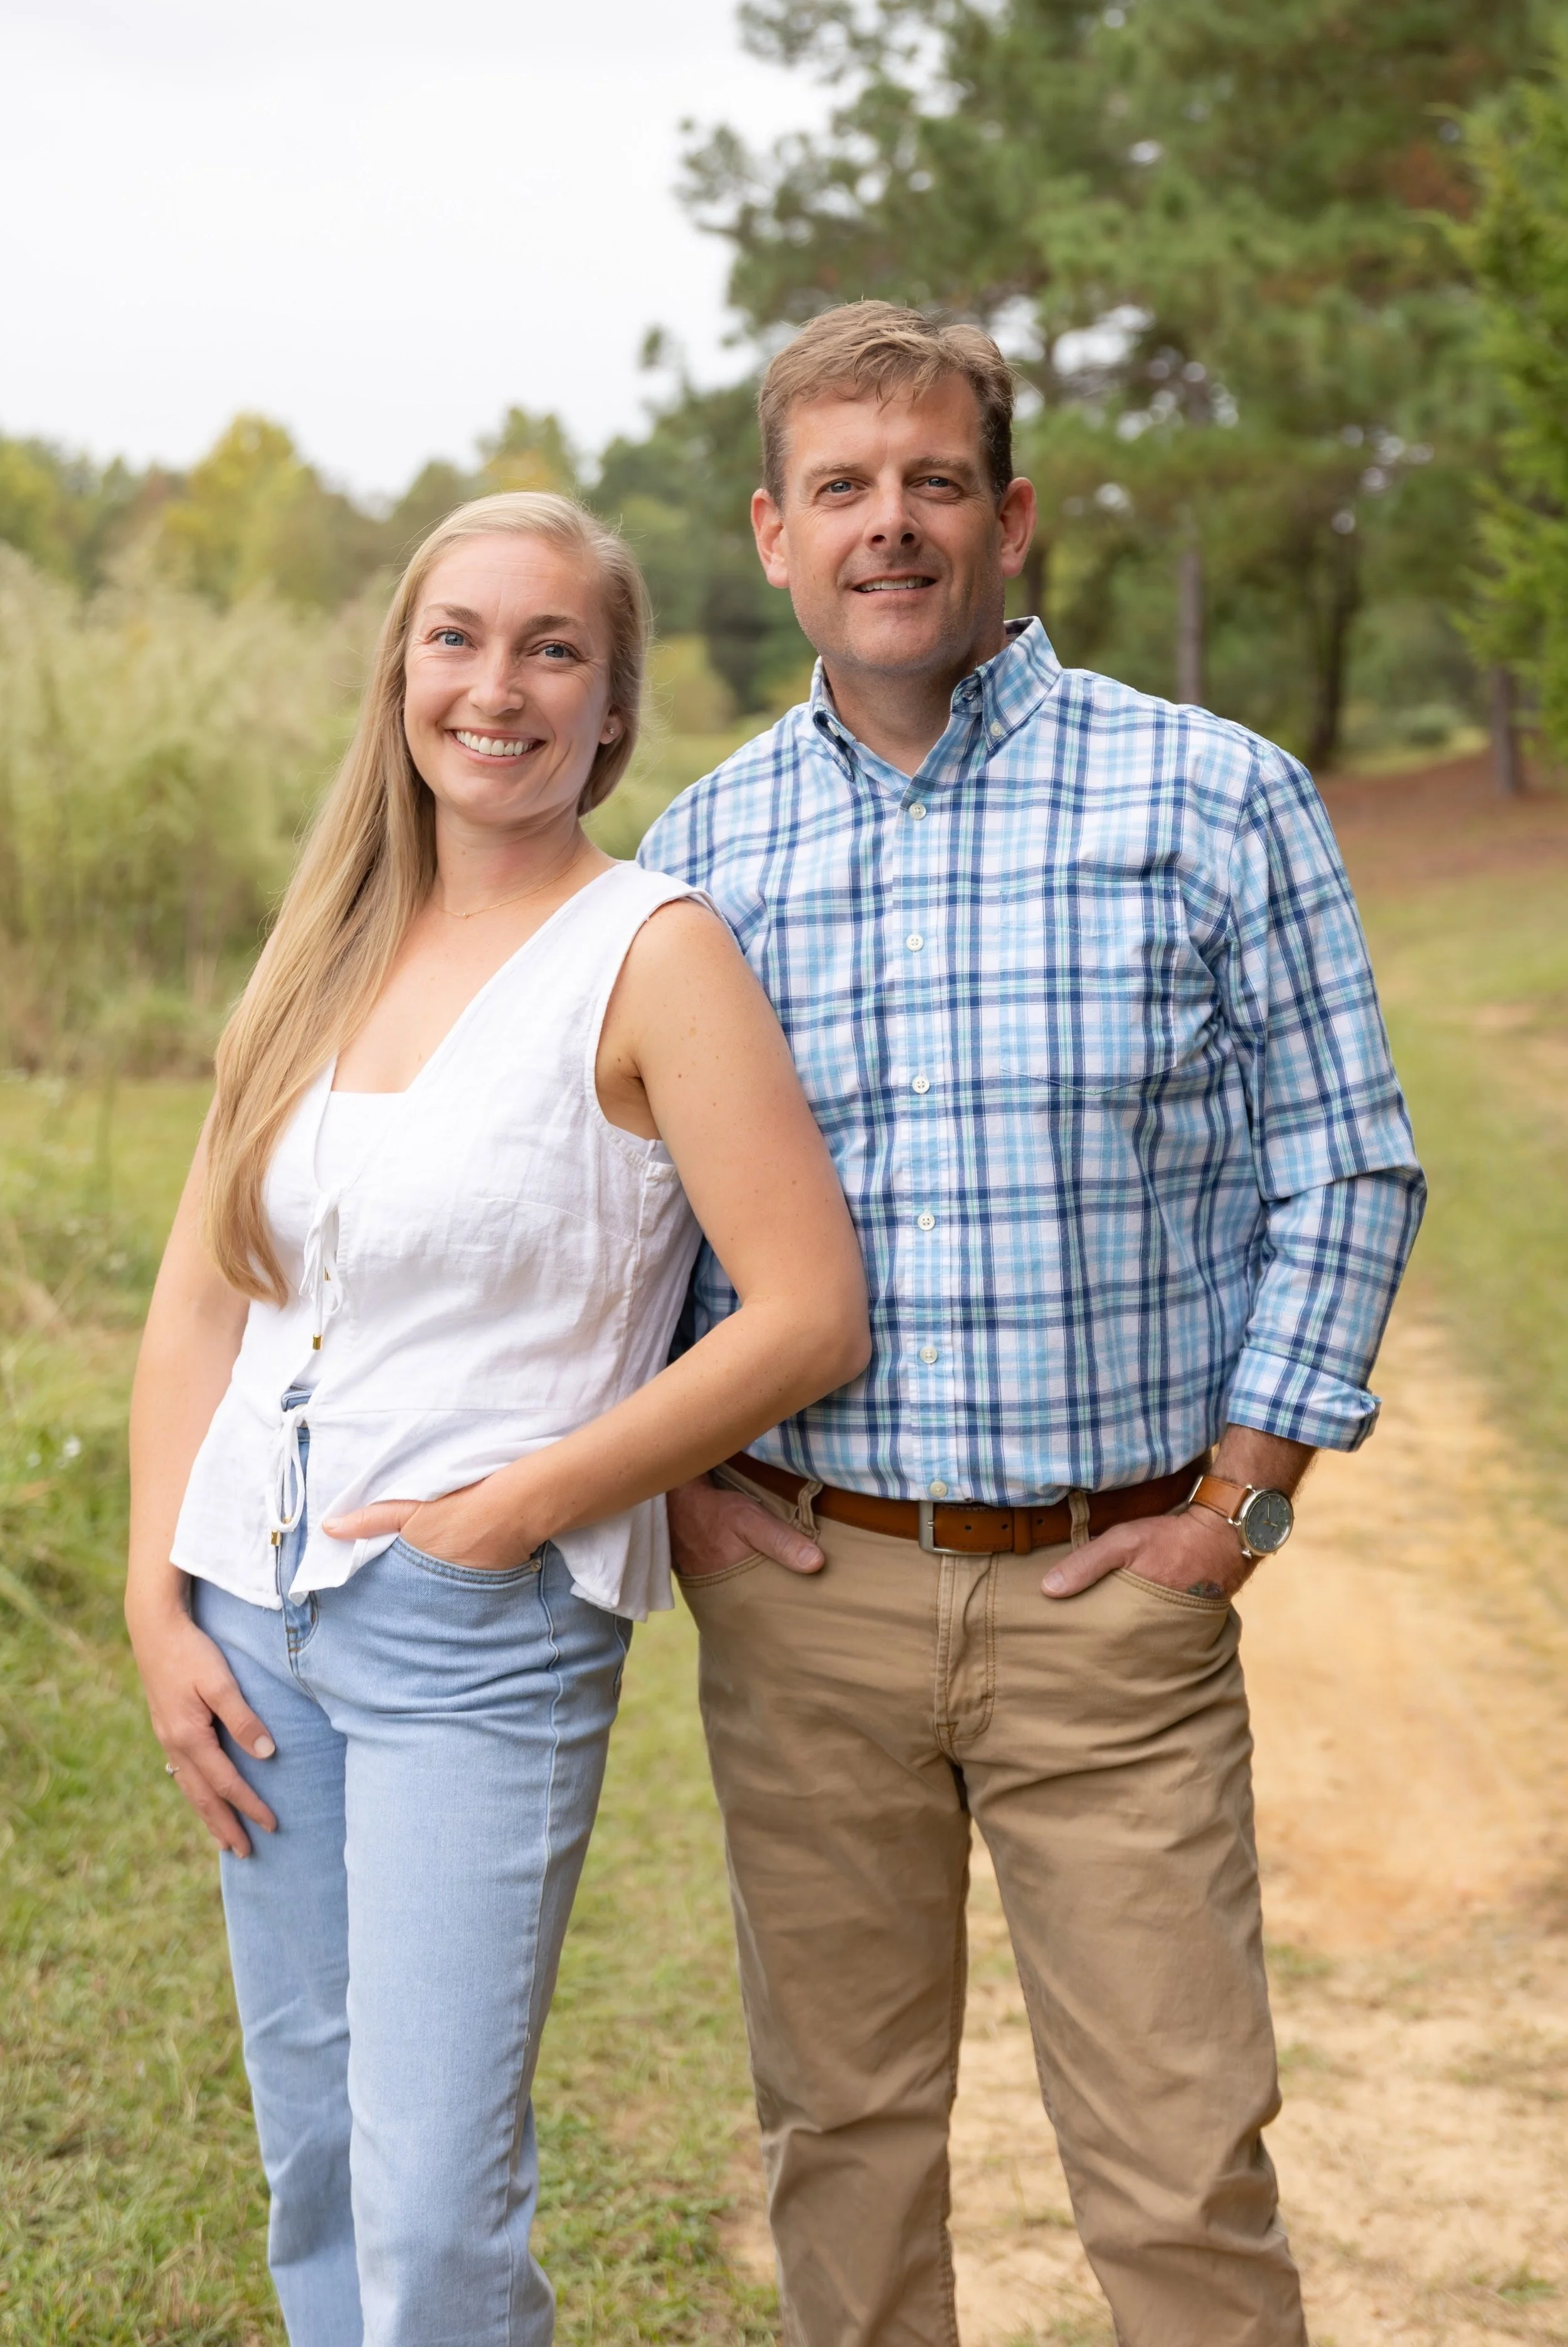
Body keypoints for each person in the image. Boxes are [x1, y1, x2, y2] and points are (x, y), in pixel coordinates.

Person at [640, 304, 1425, 2347]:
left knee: (1177, 2166)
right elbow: (621, 1213)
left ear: (1014, 521)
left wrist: (1238, 1497)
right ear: (772, 532)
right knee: (845, 2139)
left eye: (929, 482)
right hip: (808, 1594)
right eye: (841, 488)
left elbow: (1343, 1161)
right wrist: (684, 1487)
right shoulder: (695, 862)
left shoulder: (1214, 795)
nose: (886, 526)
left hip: (1114, 1593)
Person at [125, 490, 869, 2347]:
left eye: (553, 650)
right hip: (248, 1617)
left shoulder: (651, 950)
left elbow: (804, 1309)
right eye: (457, 636)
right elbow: (204, 1293)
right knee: (317, 2161)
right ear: (399, 672)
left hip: (473, 1630)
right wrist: (157, 1605)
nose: (497, 685)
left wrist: (526, 1501)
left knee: (440, 2209)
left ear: (611, 709)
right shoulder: (323, 947)